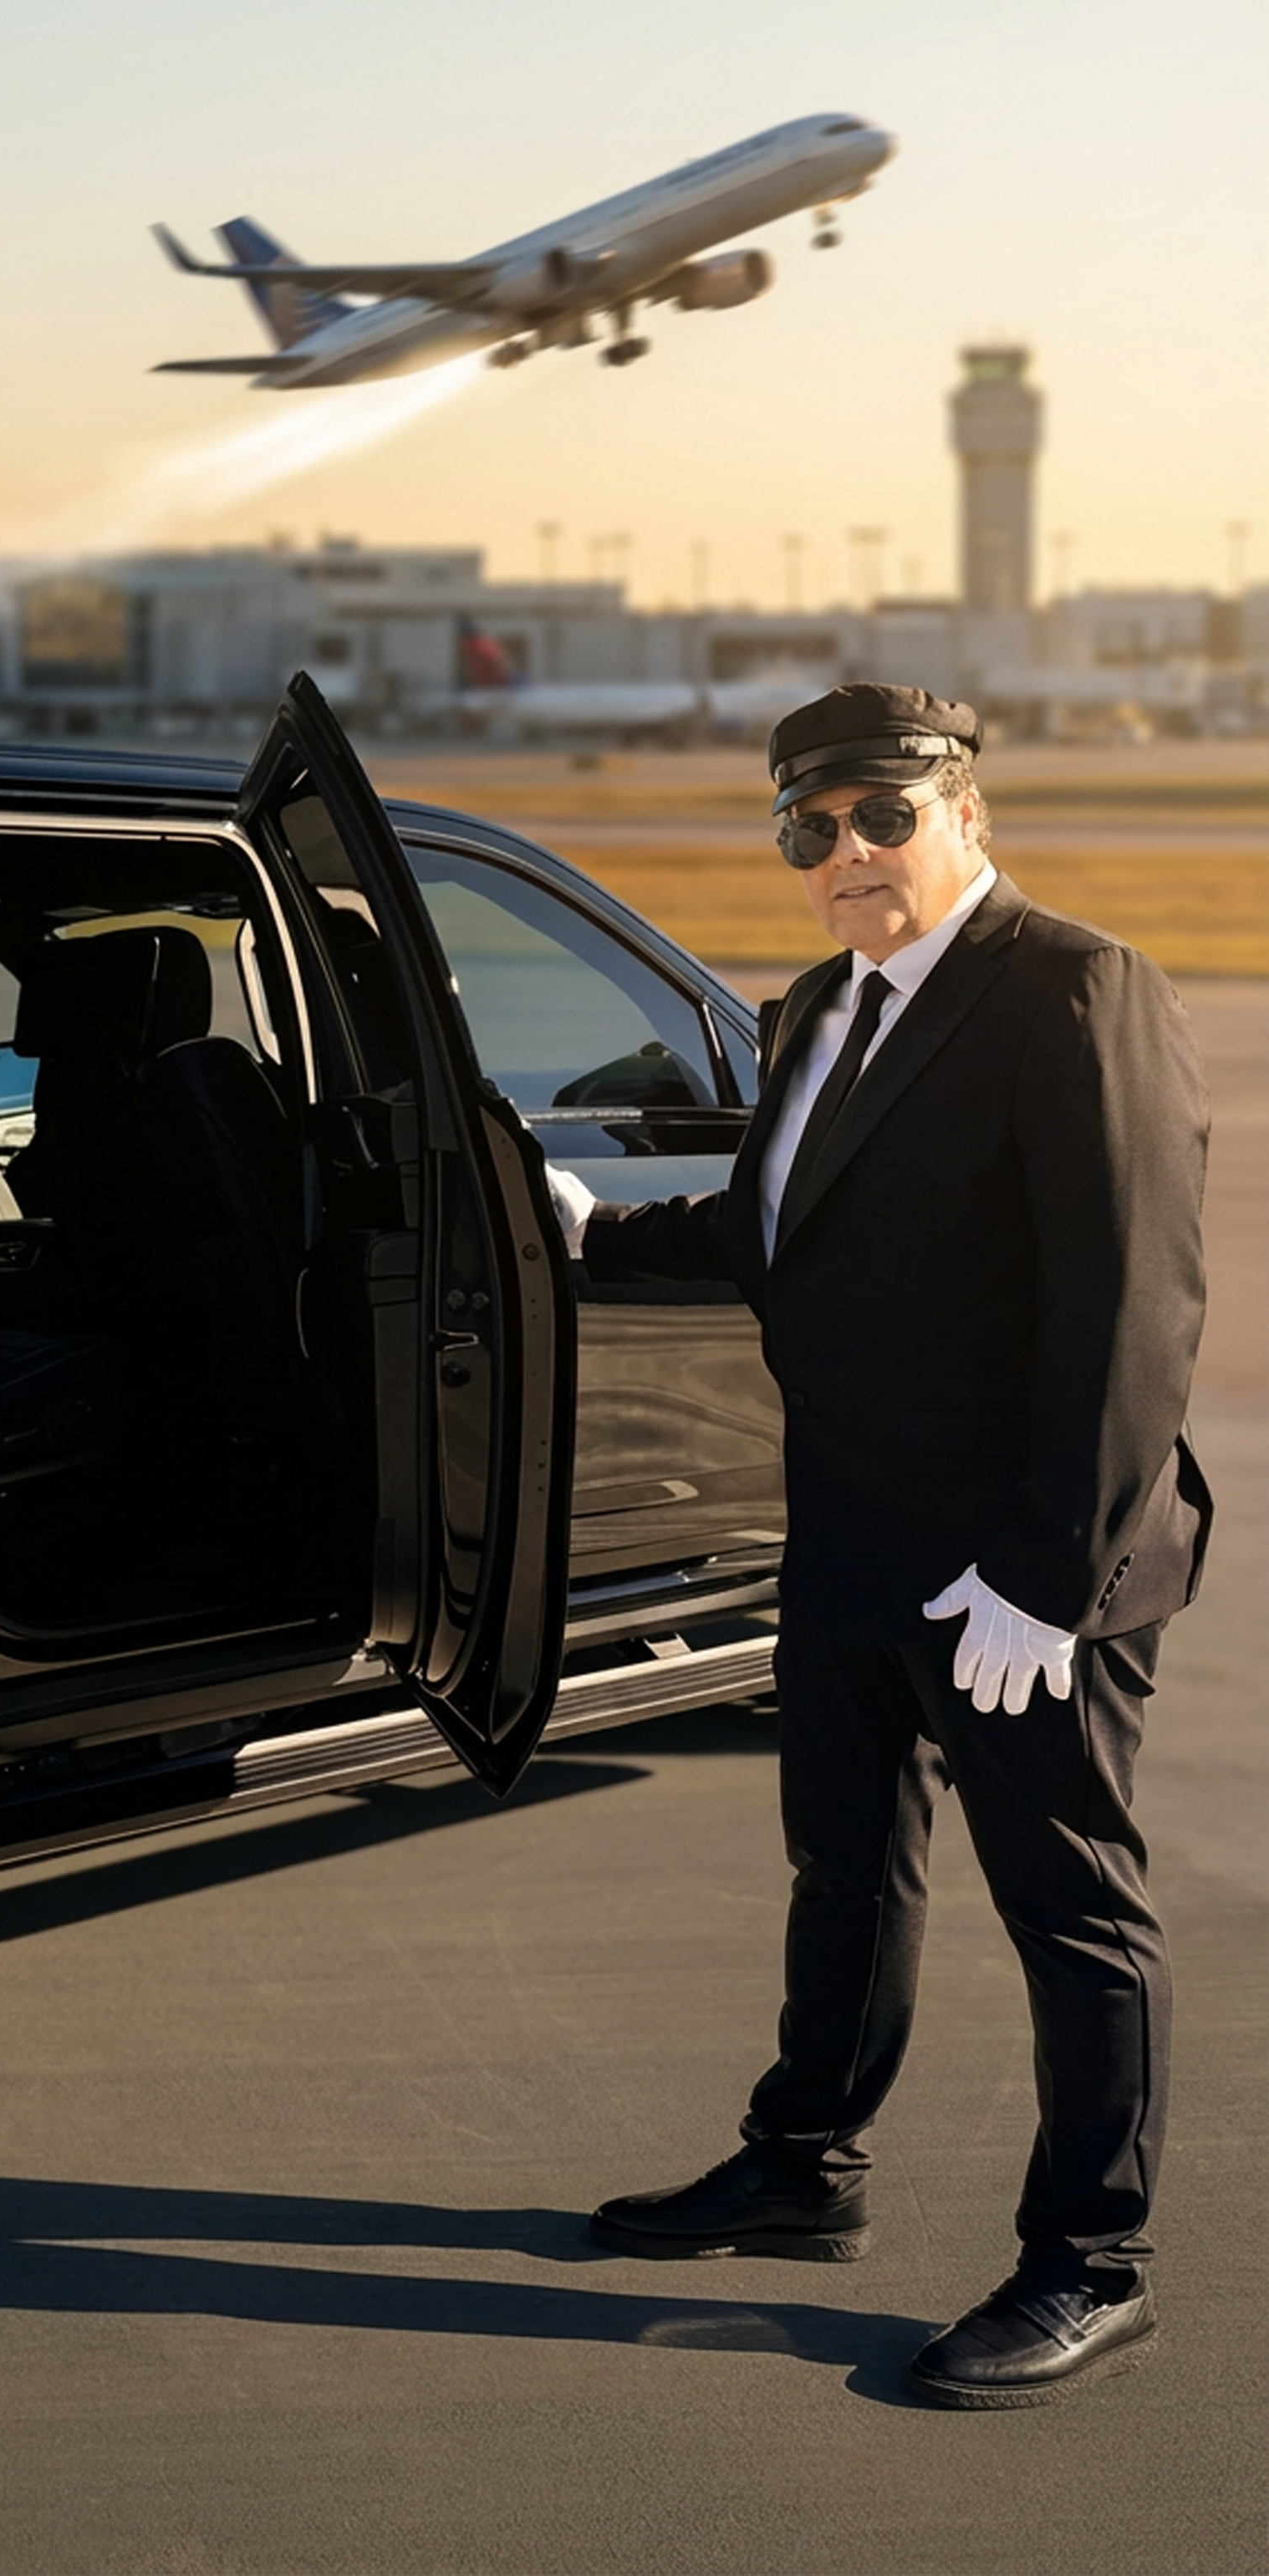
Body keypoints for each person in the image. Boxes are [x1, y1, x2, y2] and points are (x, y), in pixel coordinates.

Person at [552, 684, 1211, 2409]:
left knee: (1069, 1910)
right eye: (804, 827)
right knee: (842, 1872)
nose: (841, 854)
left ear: (958, 811)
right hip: (848, 1536)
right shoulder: (813, 1010)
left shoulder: (1069, 988)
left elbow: (1130, 1303)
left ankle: (1089, 2258)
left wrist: (1045, 1571)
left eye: (876, 817)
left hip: (1012, 1565)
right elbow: (786, 1223)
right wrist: (590, 1236)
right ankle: (799, 2169)